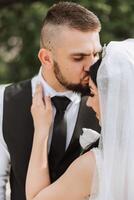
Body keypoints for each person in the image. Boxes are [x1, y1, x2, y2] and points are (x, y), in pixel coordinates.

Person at [0, 2, 101, 199]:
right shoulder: (3, 101)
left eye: (95, 53)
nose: (91, 66)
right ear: (46, 58)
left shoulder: (107, 103)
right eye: (78, 57)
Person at [26, 39, 134, 200]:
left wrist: (41, 130)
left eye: (92, 92)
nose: (89, 103)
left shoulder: (97, 166)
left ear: (113, 98)